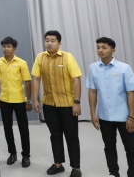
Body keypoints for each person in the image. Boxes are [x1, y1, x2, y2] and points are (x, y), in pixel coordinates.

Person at [86, 37, 134, 177]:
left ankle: (133, 174)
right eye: (98, 47)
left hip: (124, 116)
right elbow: (92, 91)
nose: (100, 50)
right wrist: (93, 114)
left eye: (104, 48)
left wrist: (132, 117)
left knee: (130, 148)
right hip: (104, 116)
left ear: (113, 50)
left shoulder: (124, 68)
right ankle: (113, 172)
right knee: (109, 147)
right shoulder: (93, 68)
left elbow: (130, 93)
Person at [32, 30, 83, 177]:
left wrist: (77, 102)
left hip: (67, 104)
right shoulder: (40, 57)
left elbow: (76, 79)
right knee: (55, 135)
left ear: (59, 43)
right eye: (47, 40)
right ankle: (58, 164)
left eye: (52, 40)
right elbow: (36, 79)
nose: (49, 43)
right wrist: (35, 99)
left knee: (71, 136)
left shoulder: (67, 57)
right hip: (49, 104)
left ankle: (76, 167)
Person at [0, 36, 32, 168]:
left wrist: (28, 100)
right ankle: (12, 153)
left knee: (23, 128)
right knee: (7, 128)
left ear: (14, 48)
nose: (6, 49)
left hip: (19, 100)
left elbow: (28, 82)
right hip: (4, 100)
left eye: (8, 46)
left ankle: (26, 155)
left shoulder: (21, 62)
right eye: (4, 46)